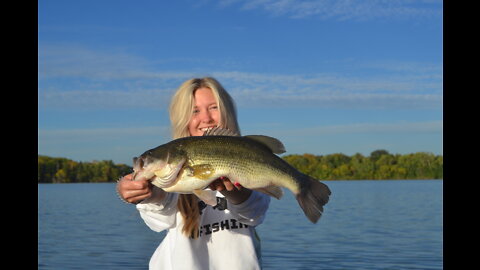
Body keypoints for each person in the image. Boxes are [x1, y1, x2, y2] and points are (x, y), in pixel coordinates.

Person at [117, 77, 271, 270]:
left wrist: (237, 193)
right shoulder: (172, 169)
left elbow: (254, 214)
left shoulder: (248, 160)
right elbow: (160, 221)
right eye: (195, 111)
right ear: (183, 118)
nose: (206, 118)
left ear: (228, 112)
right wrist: (148, 195)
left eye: (214, 107)